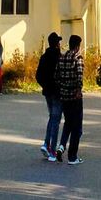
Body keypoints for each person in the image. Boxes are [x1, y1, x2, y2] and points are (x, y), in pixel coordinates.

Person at [55, 34, 84, 165]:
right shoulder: (77, 57)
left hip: (64, 96)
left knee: (68, 122)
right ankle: (72, 156)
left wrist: (63, 87)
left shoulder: (62, 58)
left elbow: (57, 75)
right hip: (75, 97)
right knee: (77, 126)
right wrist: (78, 89)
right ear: (77, 46)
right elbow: (79, 75)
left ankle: (61, 146)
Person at [36, 32, 63, 161]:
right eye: (58, 42)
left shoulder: (44, 57)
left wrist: (45, 85)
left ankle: (46, 144)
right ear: (56, 44)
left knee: (52, 117)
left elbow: (38, 76)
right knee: (56, 119)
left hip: (47, 92)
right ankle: (52, 149)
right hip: (57, 92)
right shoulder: (59, 57)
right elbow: (62, 75)